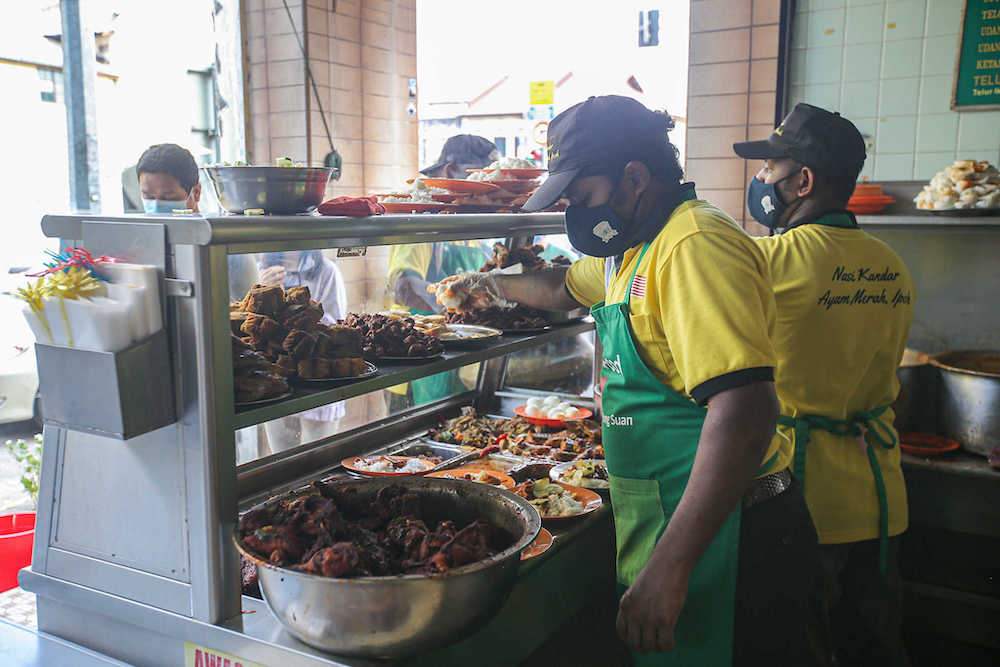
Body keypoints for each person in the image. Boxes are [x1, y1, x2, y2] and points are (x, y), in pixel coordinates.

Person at [443, 96, 827, 665]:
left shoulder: (694, 247)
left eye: (582, 196)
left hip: (731, 536)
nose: (576, 211)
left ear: (635, 176)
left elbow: (746, 412)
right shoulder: (633, 248)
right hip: (674, 516)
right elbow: (562, 286)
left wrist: (670, 568)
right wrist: (491, 284)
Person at [734, 104, 915, 667]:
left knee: (798, 650)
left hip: (803, 498)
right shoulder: (891, 263)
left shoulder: (766, 260)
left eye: (770, 167)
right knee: (872, 647)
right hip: (880, 497)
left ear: (803, 181)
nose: (761, 178)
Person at [384, 135, 498, 408]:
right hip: (416, 361)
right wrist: (455, 307)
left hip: (458, 354)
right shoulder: (423, 214)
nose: (488, 191)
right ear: (451, 171)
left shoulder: (463, 218)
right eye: (479, 179)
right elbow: (403, 287)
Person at [135, 143, 257, 302]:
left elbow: (250, 306)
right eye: (148, 197)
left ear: (196, 193)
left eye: (168, 197)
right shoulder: (141, 246)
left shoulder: (225, 249)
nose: (156, 205)